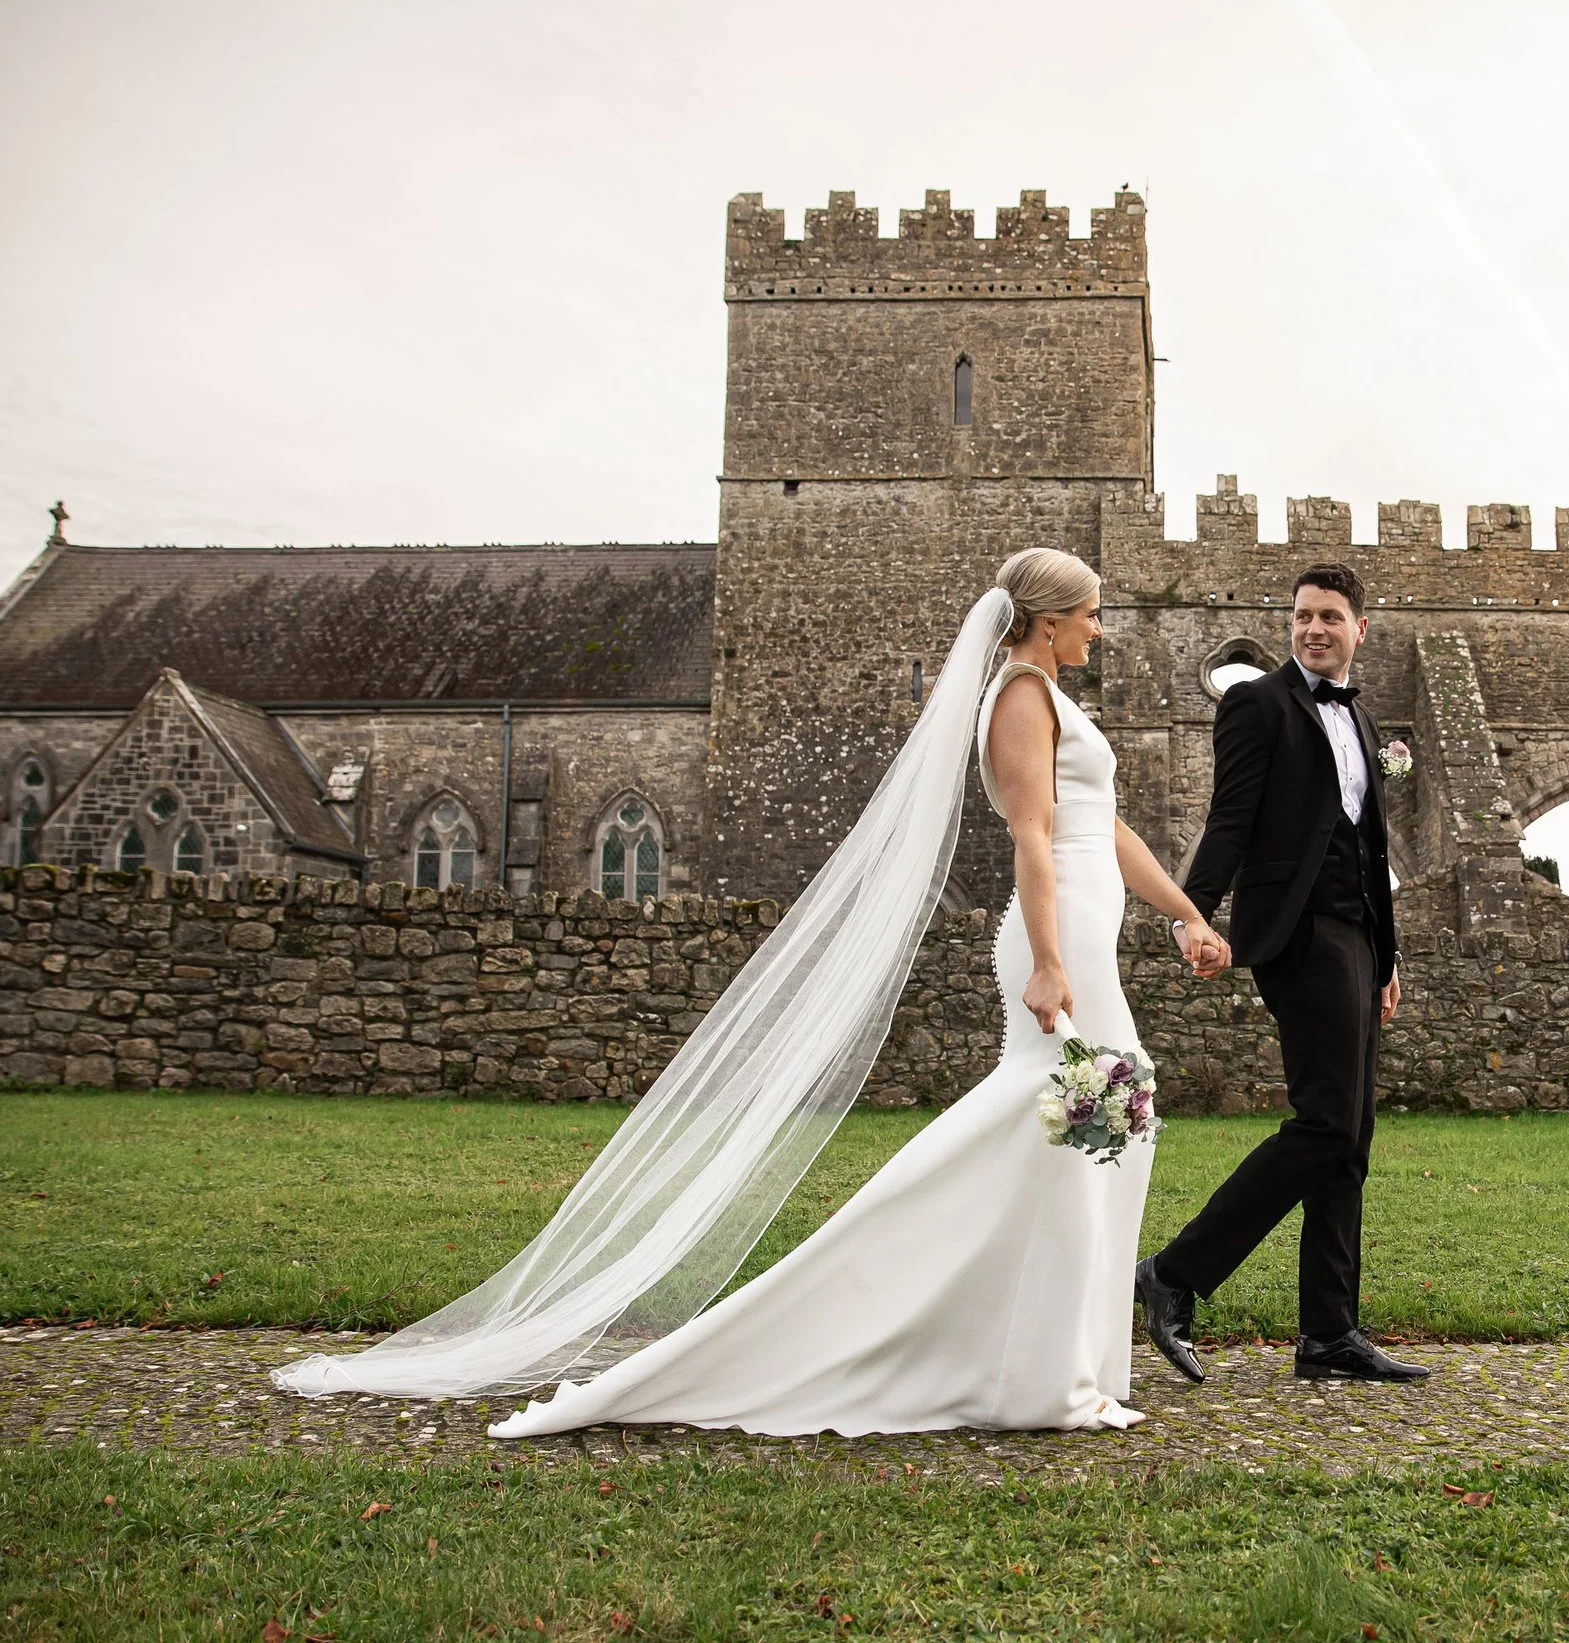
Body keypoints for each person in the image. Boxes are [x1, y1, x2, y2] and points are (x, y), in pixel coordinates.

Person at [275, 548, 1230, 1437]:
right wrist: (1049, 961)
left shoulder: (1053, 697)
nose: (1099, 628)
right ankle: (1020, 1360)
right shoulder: (1020, 696)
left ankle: (1063, 1359)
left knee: (1102, 1124)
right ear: (1049, 621)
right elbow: (1032, 835)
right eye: (1090, 614)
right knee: (1078, 1117)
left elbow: (1108, 828)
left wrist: (1185, 912)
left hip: (1087, 923)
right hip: (1059, 934)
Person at [1136, 562, 1429, 1386]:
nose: (1313, 629)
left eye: (1330, 616)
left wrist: (1386, 954)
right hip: (1298, 934)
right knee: (1327, 1122)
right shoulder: (1255, 704)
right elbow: (1229, 821)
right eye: (1302, 616)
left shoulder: (1363, 717)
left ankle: (1329, 1331)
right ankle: (1174, 1272)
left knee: (1351, 1136)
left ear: (1359, 628)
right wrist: (1191, 914)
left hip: (1359, 937)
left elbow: (1370, 846)